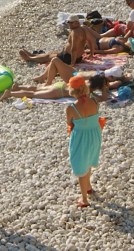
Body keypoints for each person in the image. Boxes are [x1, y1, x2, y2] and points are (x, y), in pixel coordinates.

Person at [66, 75, 102, 208]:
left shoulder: (71, 108)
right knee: (89, 160)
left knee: (81, 165)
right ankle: (88, 186)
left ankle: (84, 199)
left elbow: (69, 122)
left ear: (72, 91)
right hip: (94, 135)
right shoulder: (95, 102)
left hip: (81, 138)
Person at [20, 16, 98, 70]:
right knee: (52, 52)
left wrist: (72, 64)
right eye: (68, 22)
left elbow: (73, 49)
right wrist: (91, 54)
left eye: (71, 23)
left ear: (77, 23)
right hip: (77, 57)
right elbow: (91, 41)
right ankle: (34, 55)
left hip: (69, 58)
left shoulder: (75, 32)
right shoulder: (84, 28)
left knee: (49, 56)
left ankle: (30, 59)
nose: (69, 24)